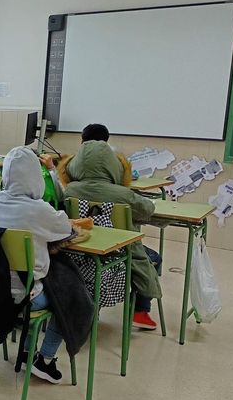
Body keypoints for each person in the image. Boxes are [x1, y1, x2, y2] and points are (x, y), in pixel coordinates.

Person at [0, 146, 75, 383]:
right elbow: (65, 228)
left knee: (38, 285)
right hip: (26, 295)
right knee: (70, 299)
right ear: (36, 177)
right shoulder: (40, 210)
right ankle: (44, 358)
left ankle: (26, 352)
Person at [59, 140, 163, 330]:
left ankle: (91, 308)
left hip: (80, 252)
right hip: (121, 253)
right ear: (114, 165)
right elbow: (148, 209)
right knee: (154, 257)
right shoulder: (124, 194)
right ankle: (141, 311)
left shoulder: (70, 190)